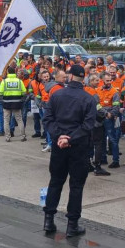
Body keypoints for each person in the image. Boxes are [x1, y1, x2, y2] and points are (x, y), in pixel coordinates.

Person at [42, 64, 96, 238]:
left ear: (70, 77)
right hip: (78, 147)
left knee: (56, 182)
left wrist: (60, 136)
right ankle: (72, 224)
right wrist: (70, 138)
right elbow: (87, 126)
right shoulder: (89, 99)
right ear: (83, 79)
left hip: (60, 146)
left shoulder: (57, 95)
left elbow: (48, 119)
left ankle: (49, 220)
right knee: (76, 185)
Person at [0, 65, 27, 141]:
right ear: (14, 72)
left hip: (7, 103)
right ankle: (23, 136)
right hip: (17, 103)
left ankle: (8, 137)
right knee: (19, 120)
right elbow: (24, 92)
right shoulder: (19, 81)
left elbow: (0, 92)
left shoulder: (4, 81)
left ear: (8, 72)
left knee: (6, 120)